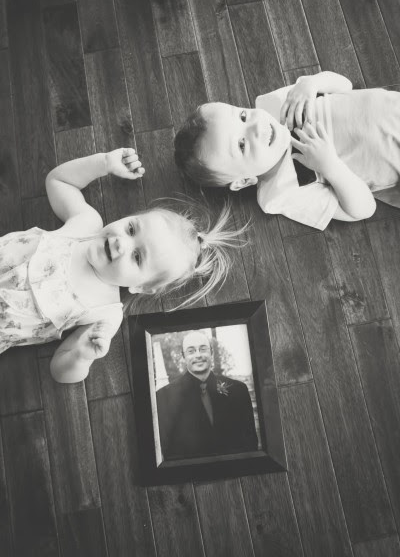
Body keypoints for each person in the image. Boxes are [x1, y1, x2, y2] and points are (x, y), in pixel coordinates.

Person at [0, 149, 241, 383]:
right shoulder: (86, 224)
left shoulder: (107, 312)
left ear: (143, 287)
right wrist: (104, 163)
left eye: (137, 257)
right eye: (131, 229)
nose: (120, 243)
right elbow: (58, 181)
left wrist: (81, 357)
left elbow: (59, 370)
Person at [174, 71, 400, 230]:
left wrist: (312, 83)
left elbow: (345, 85)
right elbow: (363, 210)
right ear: (243, 181)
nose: (255, 127)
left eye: (243, 116)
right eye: (241, 145)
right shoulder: (284, 190)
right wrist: (331, 167)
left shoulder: (276, 104)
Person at [156, 330, 258, 460]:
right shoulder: (163, 397)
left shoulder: (238, 390)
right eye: (191, 351)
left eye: (203, 349)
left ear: (211, 352)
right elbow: (168, 449)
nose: (198, 355)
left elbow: (250, 442)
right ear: (183, 356)